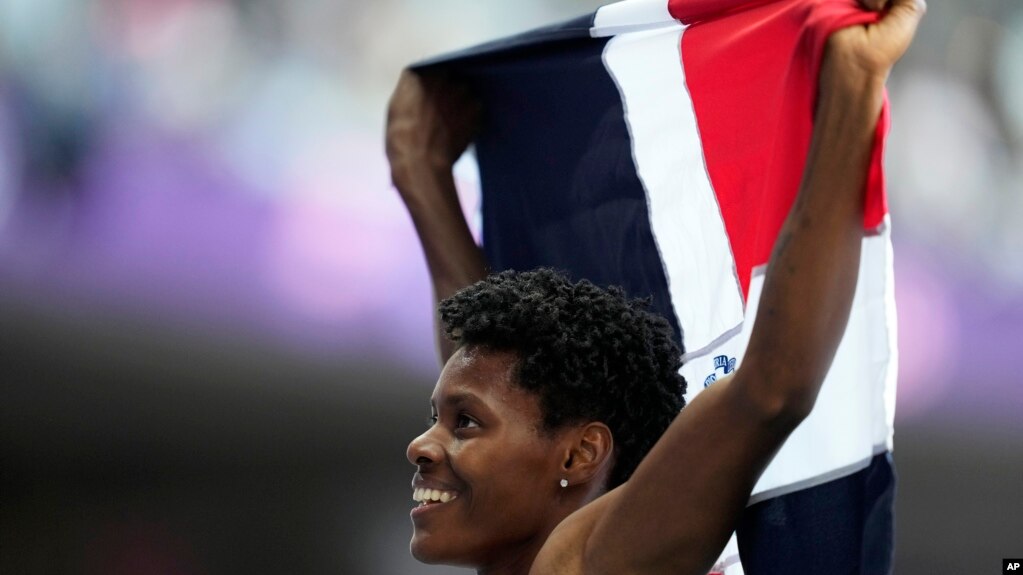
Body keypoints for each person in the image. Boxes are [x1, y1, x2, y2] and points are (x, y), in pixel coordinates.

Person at [385, 0, 924, 573]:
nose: (420, 445)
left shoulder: (585, 563)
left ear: (580, 453)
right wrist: (421, 175)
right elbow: (487, 371)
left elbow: (770, 389)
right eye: (440, 417)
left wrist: (853, 86)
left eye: (463, 423)